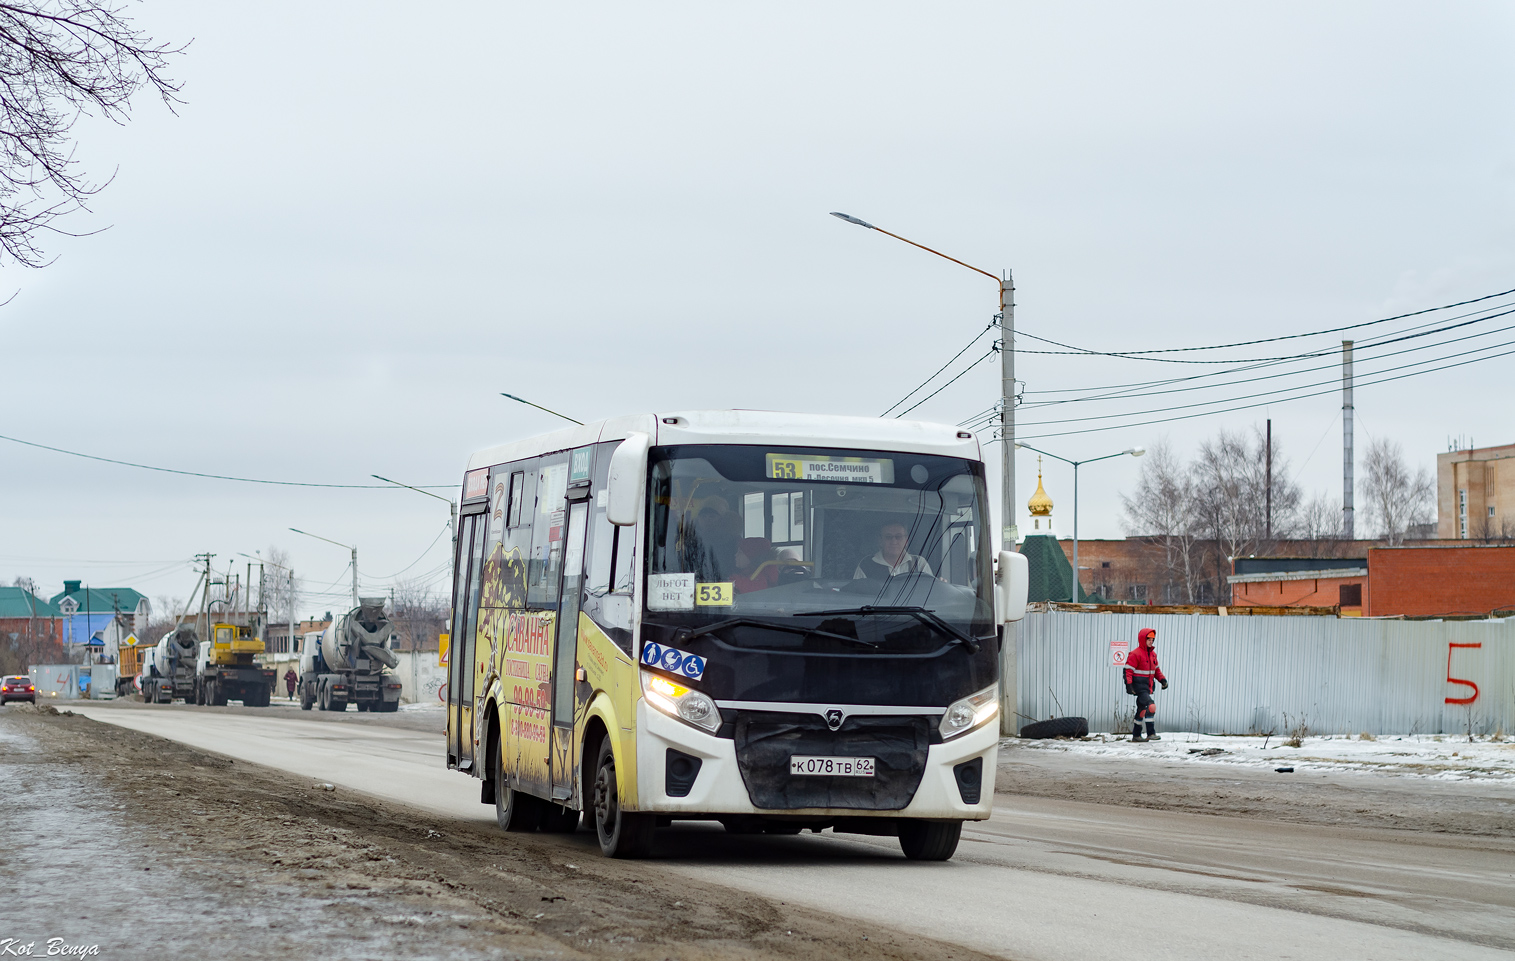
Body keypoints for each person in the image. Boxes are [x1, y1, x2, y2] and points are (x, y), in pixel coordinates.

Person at [1123, 627, 1168, 742]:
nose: (1151, 641)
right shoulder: (1135, 654)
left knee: (1142, 710)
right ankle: (1151, 733)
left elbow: (1157, 670)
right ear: (1143, 639)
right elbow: (1128, 671)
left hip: (1148, 687)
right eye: (1149, 639)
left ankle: (1136, 735)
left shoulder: (1153, 655)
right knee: (1151, 706)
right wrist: (1129, 685)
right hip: (1139, 687)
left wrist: (1162, 680)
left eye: (1153, 639)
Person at [854, 521, 934, 580]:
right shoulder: (866, 565)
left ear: (906, 541)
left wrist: (939, 585)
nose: (894, 541)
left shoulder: (919, 563)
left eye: (898, 537)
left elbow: (929, 592)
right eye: (888, 537)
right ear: (880, 541)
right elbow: (857, 597)